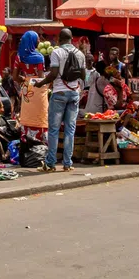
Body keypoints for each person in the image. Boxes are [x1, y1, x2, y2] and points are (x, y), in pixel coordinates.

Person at [35, 29, 85, 172]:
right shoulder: (80, 54)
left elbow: (54, 74)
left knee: (54, 130)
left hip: (59, 93)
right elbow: (82, 75)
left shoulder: (56, 52)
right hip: (74, 93)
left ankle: (50, 164)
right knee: (70, 129)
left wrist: (41, 83)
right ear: (71, 39)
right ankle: (67, 163)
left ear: (59, 39)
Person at [13, 31, 48, 143]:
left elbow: (14, 76)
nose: (39, 41)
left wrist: (25, 79)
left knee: (27, 115)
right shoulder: (39, 57)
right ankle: (40, 140)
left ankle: (26, 139)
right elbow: (40, 78)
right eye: (37, 39)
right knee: (40, 114)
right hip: (38, 89)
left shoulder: (19, 57)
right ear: (32, 41)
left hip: (26, 89)